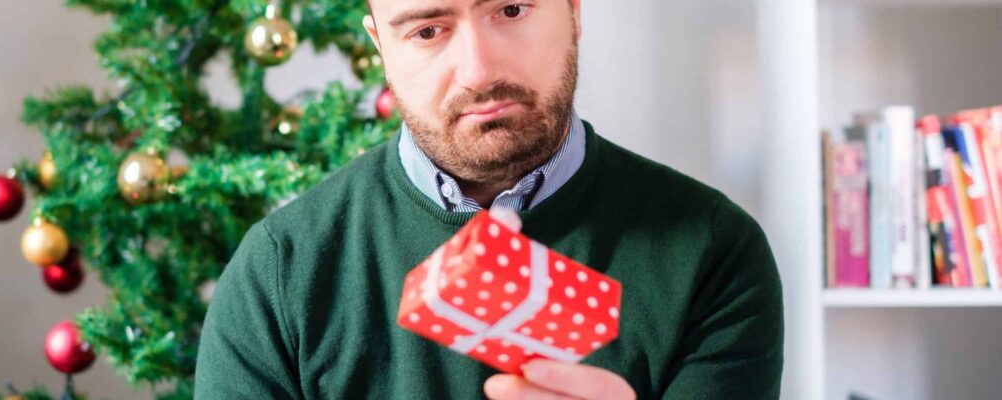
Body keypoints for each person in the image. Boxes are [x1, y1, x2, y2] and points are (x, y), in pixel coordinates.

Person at [194, 0, 784, 398]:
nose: (478, 70)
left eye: (511, 8)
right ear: (381, 45)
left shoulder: (713, 252)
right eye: (428, 29)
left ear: (574, 9)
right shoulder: (280, 270)